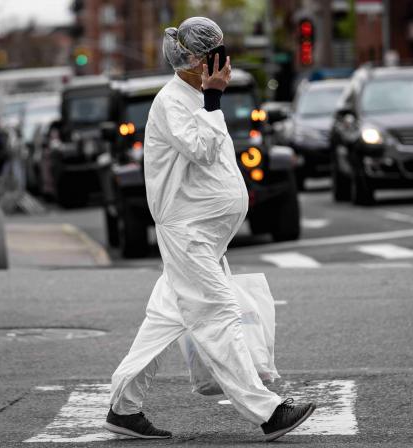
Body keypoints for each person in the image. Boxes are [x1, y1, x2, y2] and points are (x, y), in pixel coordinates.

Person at [105, 17, 315, 442]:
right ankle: (268, 412)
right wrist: (215, 100)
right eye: (216, 53)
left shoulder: (194, 97)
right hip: (189, 235)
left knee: (165, 317)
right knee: (218, 315)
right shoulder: (173, 101)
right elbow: (201, 150)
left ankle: (122, 409)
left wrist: (211, 99)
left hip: (203, 235)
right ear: (199, 59)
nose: (225, 60)